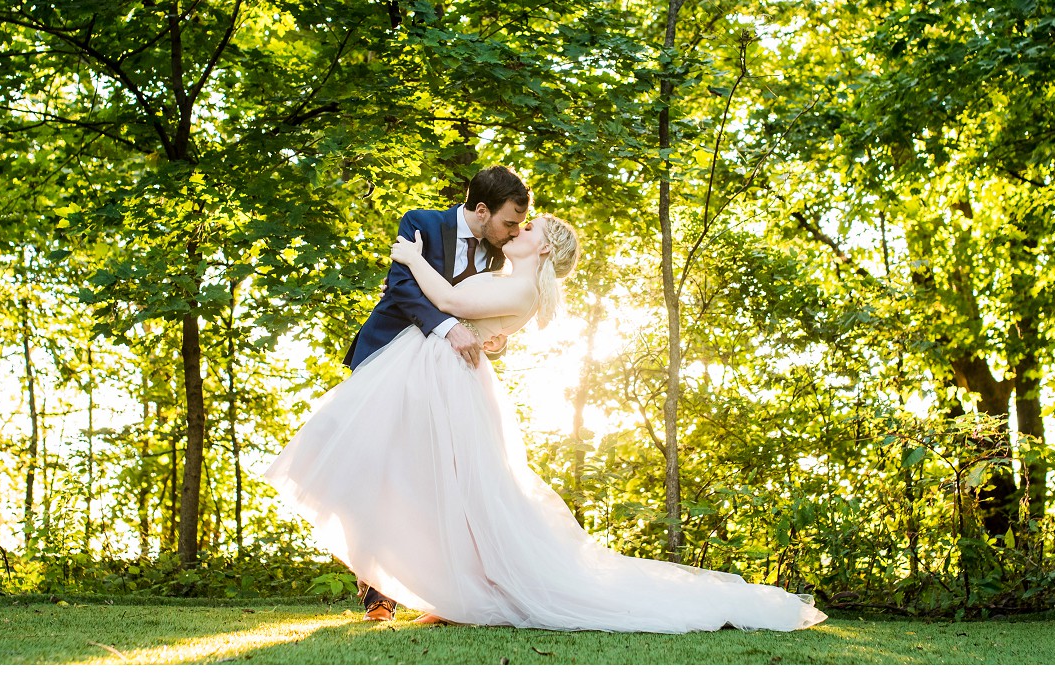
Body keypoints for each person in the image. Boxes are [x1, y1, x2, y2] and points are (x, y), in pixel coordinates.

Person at [265, 207, 827, 633]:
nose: (520, 229)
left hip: (446, 379)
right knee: (443, 483)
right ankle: (437, 586)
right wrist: (488, 334)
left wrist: (411, 262)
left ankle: (463, 589)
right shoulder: (513, 277)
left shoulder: (518, 281)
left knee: (461, 488)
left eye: (530, 227)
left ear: (543, 247)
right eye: (520, 222)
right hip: (436, 372)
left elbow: (453, 305)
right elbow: (473, 317)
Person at [334, 165, 532, 620]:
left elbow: (484, 310)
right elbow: (402, 288)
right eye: (509, 221)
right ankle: (377, 592)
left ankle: (445, 589)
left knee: (441, 477)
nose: (514, 231)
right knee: (372, 469)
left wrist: (492, 337)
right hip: (389, 360)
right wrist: (448, 330)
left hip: (450, 381)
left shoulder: (503, 257)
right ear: (481, 211)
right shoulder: (420, 224)